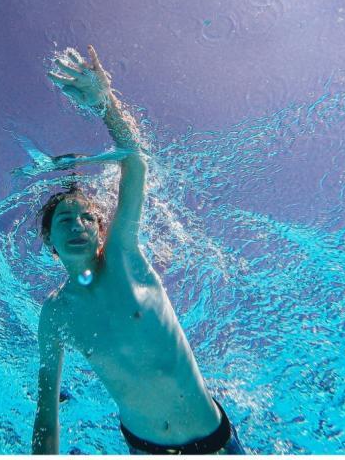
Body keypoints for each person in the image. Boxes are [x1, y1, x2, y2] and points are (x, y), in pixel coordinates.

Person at [32, 45, 244, 455]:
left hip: (215, 442)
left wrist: (104, 102)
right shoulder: (55, 314)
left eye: (86, 219)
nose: (77, 225)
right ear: (50, 243)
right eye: (64, 221)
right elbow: (46, 409)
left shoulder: (123, 260)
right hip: (144, 449)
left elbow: (136, 164)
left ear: (101, 230)